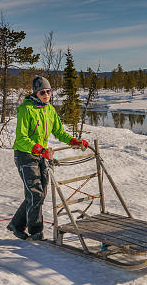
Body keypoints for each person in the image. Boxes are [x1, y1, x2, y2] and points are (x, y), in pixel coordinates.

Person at [7, 75, 89, 240]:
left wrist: (72, 140)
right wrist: (37, 148)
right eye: (42, 92)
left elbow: (59, 132)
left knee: (39, 193)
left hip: (40, 154)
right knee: (35, 194)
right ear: (36, 93)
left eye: (48, 91)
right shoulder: (26, 109)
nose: (46, 95)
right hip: (25, 154)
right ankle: (36, 231)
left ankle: (16, 225)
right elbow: (21, 138)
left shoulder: (49, 109)